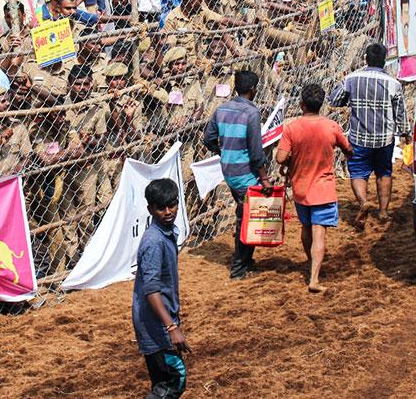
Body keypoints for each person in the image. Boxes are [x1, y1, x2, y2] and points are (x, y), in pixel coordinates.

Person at [276, 82, 352, 293]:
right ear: (321, 104)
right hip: (323, 189)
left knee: (306, 227)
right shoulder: (331, 126)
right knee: (319, 233)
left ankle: (311, 263)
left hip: (300, 188)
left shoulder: (291, 128)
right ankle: (314, 279)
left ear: (302, 105)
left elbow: (280, 157)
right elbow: (348, 149)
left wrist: (292, 162)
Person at [329, 42, 410, 223]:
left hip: (359, 137)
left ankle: (363, 202)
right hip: (384, 138)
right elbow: (400, 113)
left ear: (366, 59)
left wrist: (350, 98)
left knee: (358, 172)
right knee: (384, 173)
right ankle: (383, 212)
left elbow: (334, 100)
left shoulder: (351, 79)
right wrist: (406, 132)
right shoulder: (394, 84)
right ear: (384, 60)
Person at [202, 69, 269, 279]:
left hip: (229, 171)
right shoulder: (252, 113)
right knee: (248, 218)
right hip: (245, 174)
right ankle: (239, 268)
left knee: (245, 211)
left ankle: (246, 261)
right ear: (253, 89)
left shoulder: (222, 109)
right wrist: (264, 178)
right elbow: (256, 151)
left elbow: (208, 138)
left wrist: (223, 152)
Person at [133, 177, 189, 399]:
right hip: (156, 324)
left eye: (172, 205)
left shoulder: (166, 232)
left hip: (160, 319)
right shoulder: (154, 242)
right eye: (161, 208)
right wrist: (171, 327)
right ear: (150, 209)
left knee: (163, 382)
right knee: (173, 382)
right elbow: (151, 290)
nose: (168, 212)